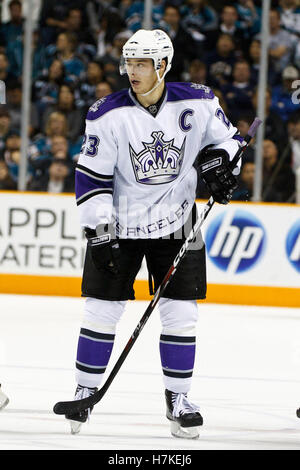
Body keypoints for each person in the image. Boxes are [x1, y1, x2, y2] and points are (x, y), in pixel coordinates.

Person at [67, 29, 241, 439]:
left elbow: (230, 142)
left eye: (142, 64)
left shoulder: (198, 101)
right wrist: (100, 232)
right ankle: (84, 389)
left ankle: (178, 399)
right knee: (100, 309)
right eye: (129, 63)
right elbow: (91, 178)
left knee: (182, 314)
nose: (133, 71)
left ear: (163, 65)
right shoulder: (107, 114)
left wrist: (220, 167)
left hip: (178, 223)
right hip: (121, 226)